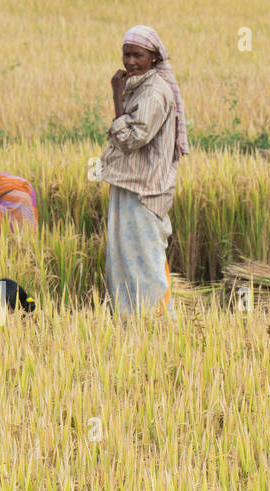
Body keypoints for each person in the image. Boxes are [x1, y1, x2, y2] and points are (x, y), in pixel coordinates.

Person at [98, 24, 189, 315]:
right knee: (124, 261)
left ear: (153, 57)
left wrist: (116, 97)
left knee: (144, 266)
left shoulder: (154, 92)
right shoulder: (141, 87)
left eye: (137, 55)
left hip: (145, 191)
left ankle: (158, 327)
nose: (130, 62)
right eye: (126, 55)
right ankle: (132, 329)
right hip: (131, 185)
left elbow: (133, 139)